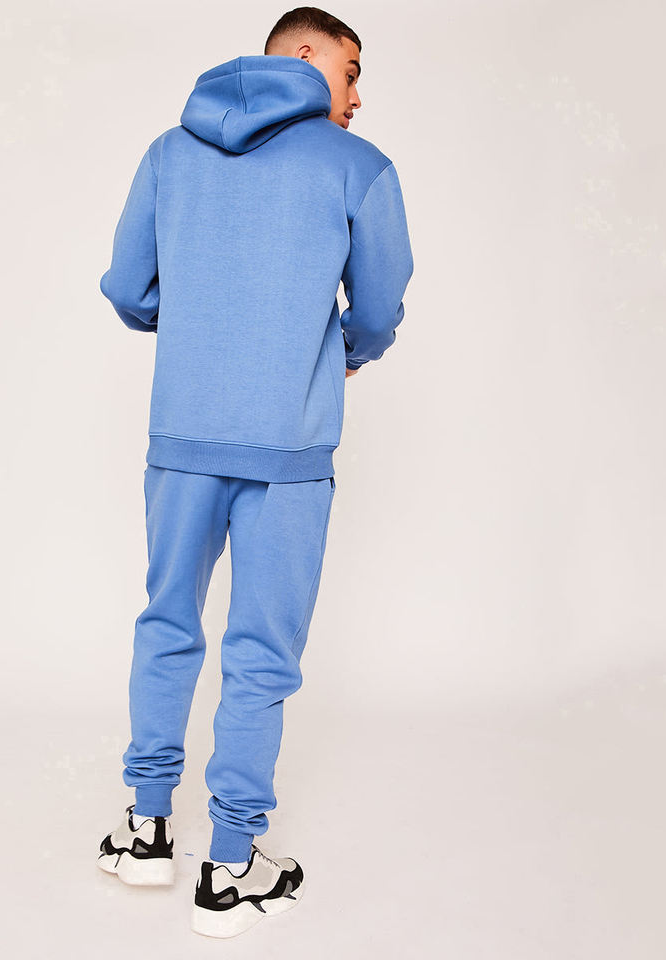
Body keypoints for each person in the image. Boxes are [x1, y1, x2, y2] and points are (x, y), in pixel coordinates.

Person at [95, 6, 414, 938]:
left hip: (182, 438)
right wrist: (346, 349)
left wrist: (203, 321)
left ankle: (146, 830)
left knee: (166, 623)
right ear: (305, 58)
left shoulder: (168, 153)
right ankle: (231, 865)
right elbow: (381, 304)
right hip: (287, 451)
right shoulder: (357, 166)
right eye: (351, 72)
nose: (358, 96)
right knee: (261, 654)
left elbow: (127, 288)